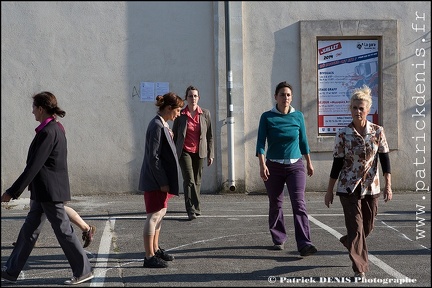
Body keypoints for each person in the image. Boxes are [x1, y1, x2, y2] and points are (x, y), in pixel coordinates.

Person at [1, 91, 94, 285]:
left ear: (41, 109)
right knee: (29, 231)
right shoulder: (53, 129)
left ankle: (84, 270)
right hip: (43, 191)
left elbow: (34, 165)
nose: (32, 111)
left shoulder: (49, 131)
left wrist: (12, 192)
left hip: (50, 192)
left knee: (63, 231)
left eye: (34, 107)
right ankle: (11, 271)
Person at [324, 84, 392, 280]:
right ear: (350, 109)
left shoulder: (378, 132)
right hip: (348, 187)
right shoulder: (343, 134)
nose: (357, 111)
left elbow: (385, 159)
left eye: (361, 108)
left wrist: (388, 184)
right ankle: (359, 269)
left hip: (371, 186)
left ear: (368, 110)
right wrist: (329, 190)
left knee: (367, 226)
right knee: (356, 228)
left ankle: (350, 241)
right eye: (354, 107)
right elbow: (336, 164)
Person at [256, 81, 317, 257]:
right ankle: (278, 238)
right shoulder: (267, 117)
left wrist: (309, 162)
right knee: (276, 204)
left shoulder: (297, 116)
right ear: (276, 97)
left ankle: (305, 243)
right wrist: (262, 164)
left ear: (292, 97)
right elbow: (260, 142)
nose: (286, 98)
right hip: (273, 166)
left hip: (295, 166)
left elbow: (303, 141)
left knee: (299, 203)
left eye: (288, 95)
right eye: (282, 94)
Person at [138, 92, 185, 268]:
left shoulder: (163, 124)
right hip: (156, 181)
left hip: (162, 180)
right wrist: (162, 181)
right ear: (168, 108)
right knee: (153, 215)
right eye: (178, 110)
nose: (178, 114)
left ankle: (155, 249)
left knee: (161, 213)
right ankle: (149, 256)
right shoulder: (156, 125)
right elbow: (153, 157)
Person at [172, 85, 214, 221]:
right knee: (189, 180)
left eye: (195, 96)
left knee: (197, 181)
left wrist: (210, 154)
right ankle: (191, 209)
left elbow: (210, 136)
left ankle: (195, 207)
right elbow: (174, 135)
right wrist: (172, 152)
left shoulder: (205, 114)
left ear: (199, 98)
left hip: (200, 152)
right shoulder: (181, 115)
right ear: (186, 98)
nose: (193, 98)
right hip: (184, 151)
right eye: (190, 96)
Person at [12, 203, 96, 249]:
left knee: (53, 207)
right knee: (38, 206)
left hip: (51, 182)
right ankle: (29, 238)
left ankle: (86, 228)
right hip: (49, 181)